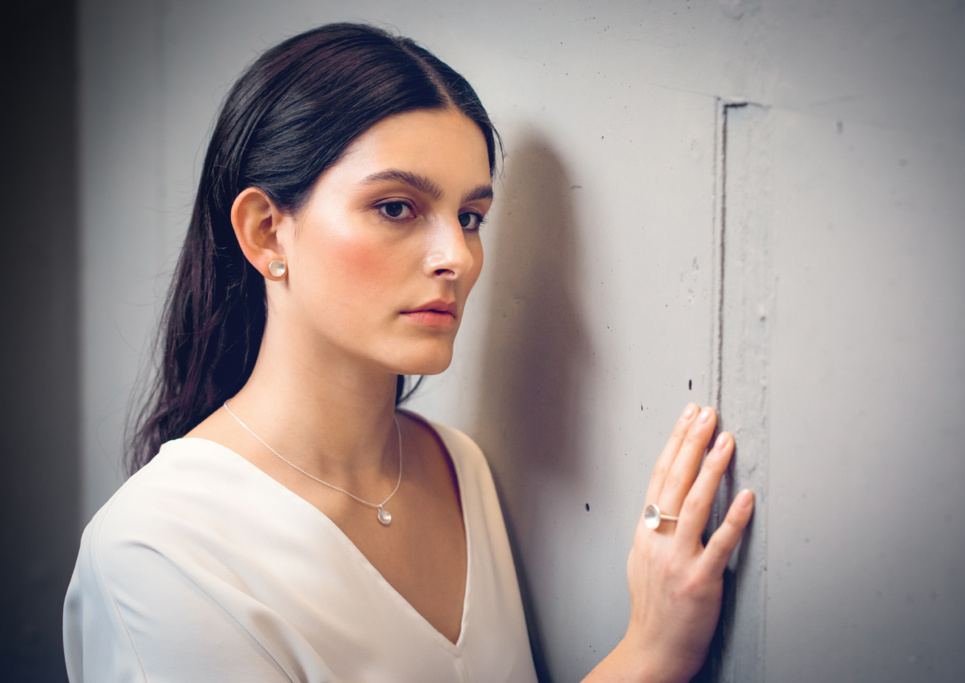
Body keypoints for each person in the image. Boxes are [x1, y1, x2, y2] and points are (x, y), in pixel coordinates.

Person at [63, 22, 754, 682]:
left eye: (471, 217)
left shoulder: (459, 468)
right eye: (396, 206)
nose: (457, 256)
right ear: (267, 232)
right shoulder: (156, 553)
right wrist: (646, 657)